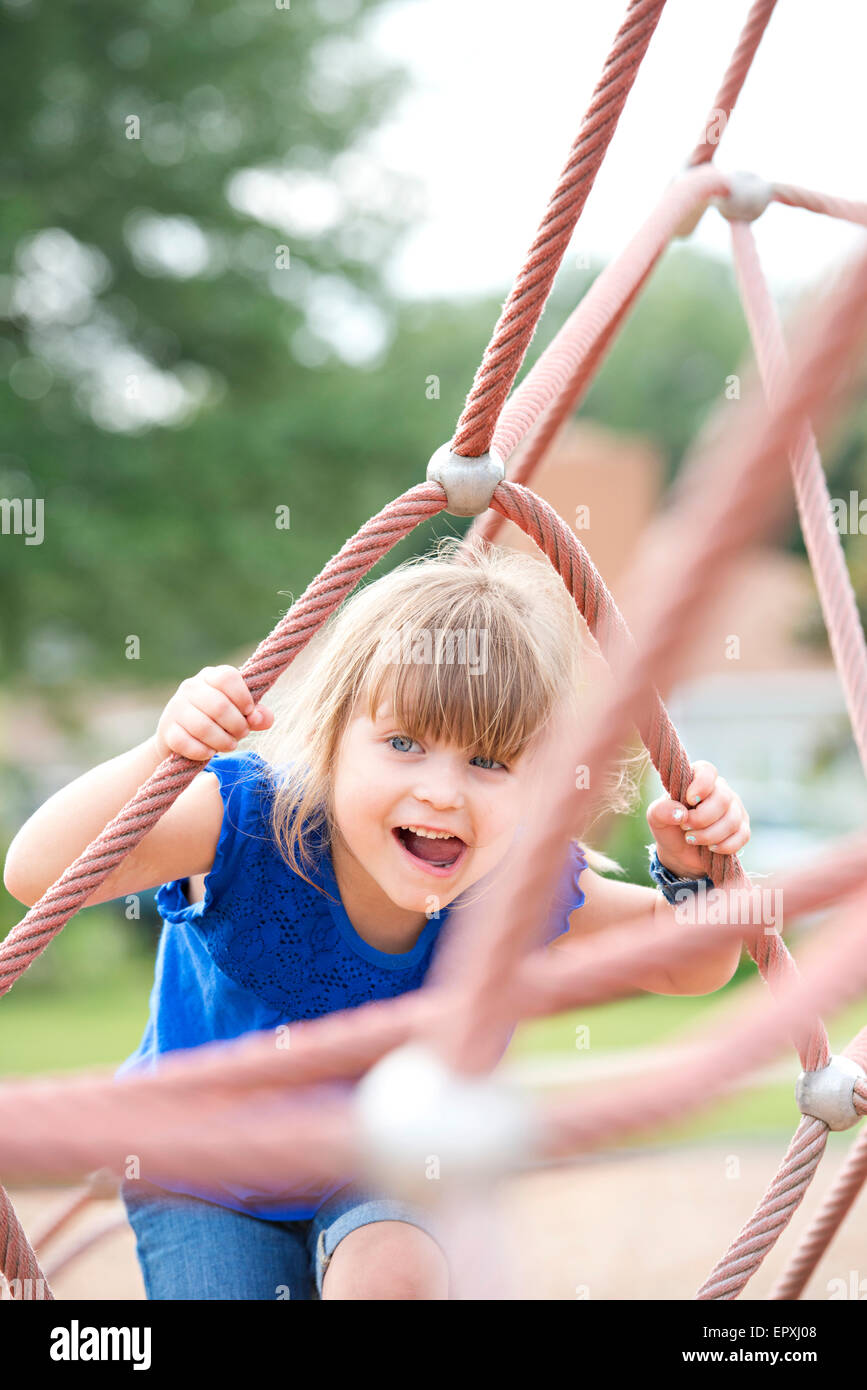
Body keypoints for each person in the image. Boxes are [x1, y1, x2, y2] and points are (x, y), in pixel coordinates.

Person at [4, 534, 749, 1299]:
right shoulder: (248, 818)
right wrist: (163, 758)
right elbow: (37, 873)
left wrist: (693, 875)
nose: (440, 792)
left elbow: (685, 964)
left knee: (394, 1268)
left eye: (489, 762)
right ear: (329, 739)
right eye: (402, 743)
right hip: (201, 1171)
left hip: (384, 1165)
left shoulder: (516, 886)